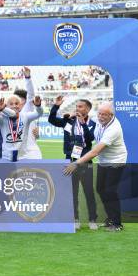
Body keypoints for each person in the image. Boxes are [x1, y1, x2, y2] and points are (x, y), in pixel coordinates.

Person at [64, 102, 127, 232]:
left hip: (116, 161)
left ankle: (117, 223)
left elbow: (95, 152)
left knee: (110, 191)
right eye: (99, 114)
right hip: (103, 161)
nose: (100, 117)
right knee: (100, 189)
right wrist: (72, 115)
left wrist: (76, 163)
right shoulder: (98, 119)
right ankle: (110, 219)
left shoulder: (114, 129)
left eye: (104, 114)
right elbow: (83, 114)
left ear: (111, 115)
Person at [49, 96, 97, 229]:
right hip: (69, 160)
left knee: (88, 191)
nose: (77, 108)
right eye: (77, 106)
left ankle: (92, 219)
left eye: (80, 106)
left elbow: (89, 139)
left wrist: (82, 124)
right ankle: (75, 219)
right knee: (72, 192)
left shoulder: (93, 124)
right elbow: (51, 120)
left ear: (88, 109)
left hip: (85, 161)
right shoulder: (69, 121)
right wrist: (56, 106)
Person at [0, 95, 43, 162]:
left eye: (17, 103)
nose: (14, 106)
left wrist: (38, 106)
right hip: (6, 157)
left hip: (23, 157)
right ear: (6, 106)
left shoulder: (26, 116)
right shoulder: (2, 118)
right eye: (11, 104)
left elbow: (39, 113)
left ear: (20, 106)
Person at [13, 67, 43, 159]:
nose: (15, 102)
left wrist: (27, 77)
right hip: (16, 152)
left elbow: (30, 95)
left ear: (24, 101)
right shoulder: (9, 113)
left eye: (18, 99)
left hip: (31, 152)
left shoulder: (27, 110)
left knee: (37, 173)